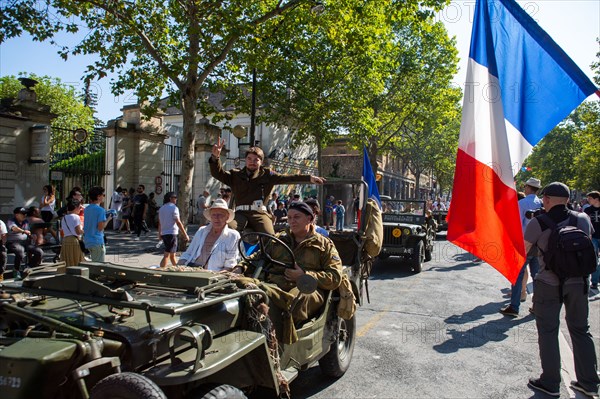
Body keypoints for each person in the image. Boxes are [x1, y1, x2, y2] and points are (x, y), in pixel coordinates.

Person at [524, 182, 600, 398]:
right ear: (568, 199)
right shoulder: (582, 218)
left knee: (548, 331)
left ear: (546, 199)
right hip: (579, 283)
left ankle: (550, 381)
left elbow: (523, 249)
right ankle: (589, 382)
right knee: (580, 330)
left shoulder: (538, 222)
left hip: (549, 283)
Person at [233, 201, 342, 341]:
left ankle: (281, 343)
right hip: (275, 285)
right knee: (248, 294)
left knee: (292, 304)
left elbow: (335, 277)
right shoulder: (279, 239)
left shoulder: (324, 244)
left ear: (309, 218)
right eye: (289, 218)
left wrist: (304, 275)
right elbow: (257, 257)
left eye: (297, 217)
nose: (292, 221)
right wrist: (241, 267)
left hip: (307, 288)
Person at [209, 139, 325, 235]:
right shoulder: (235, 175)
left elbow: (288, 178)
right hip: (240, 214)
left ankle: (267, 261)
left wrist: (309, 178)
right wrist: (215, 158)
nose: (252, 162)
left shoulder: (268, 175)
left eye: (256, 159)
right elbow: (217, 173)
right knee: (226, 231)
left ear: (261, 162)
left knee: (270, 237)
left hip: (259, 214)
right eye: (249, 159)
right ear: (245, 160)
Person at [500, 177, 542, 317]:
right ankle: (537, 305)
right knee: (537, 277)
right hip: (538, 245)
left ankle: (514, 306)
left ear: (528, 188)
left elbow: (516, 224)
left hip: (524, 243)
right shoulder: (541, 203)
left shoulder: (523, 203)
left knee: (517, 276)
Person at [178, 199, 240, 272]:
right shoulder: (202, 231)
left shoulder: (233, 236)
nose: (217, 218)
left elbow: (230, 265)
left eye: (221, 215)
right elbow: (188, 253)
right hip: (191, 270)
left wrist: (215, 277)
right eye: (214, 215)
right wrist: (178, 267)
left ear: (227, 217)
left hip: (213, 275)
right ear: (210, 217)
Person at [6, 207, 43, 275]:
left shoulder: (26, 221)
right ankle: (16, 269)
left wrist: (31, 235)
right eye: (23, 214)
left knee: (39, 252)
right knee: (20, 251)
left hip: (25, 242)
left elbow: (28, 232)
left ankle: (29, 267)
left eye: (25, 214)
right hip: (13, 242)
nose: (25, 215)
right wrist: (23, 231)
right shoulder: (11, 221)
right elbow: (13, 228)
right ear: (16, 215)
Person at [158, 192, 189, 268]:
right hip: (172, 233)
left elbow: (159, 223)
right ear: (170, 198)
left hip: (164, 233)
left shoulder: (161, 208)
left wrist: (159, 234)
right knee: (167, 255)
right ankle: (161, 270)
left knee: (172, 254)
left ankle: (178, 270)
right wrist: (185, 234)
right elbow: (178, 222)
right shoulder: (174, 208)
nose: (176, 199)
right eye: (175, 197)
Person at [83, 186, 113, 262]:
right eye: (103, 195)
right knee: (98, 267)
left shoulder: (86, 208)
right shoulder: (100, 210)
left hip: (88, 240)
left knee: (93, 263)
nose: (104, 197)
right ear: (98, 196)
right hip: (97, 240)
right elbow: (100, 227)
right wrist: (108, 219)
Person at [60, 200, 85, 266]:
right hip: (74, 241)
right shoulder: (76, 217)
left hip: (65, 240)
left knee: (67, 260)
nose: (81, 209)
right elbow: (78, 231)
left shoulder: (64, 218)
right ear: (75, 207)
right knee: (75, 260)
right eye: (80, 207)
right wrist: (84, 230)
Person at [584, 190, 600, 290]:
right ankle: (594, 281)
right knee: (595, 259)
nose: (588, 200)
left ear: (596, 199)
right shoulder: (588, 211)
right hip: (593, 236)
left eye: (590, 198)